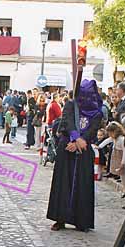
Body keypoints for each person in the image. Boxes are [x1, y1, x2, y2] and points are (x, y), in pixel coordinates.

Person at [47, 79, 103, 232]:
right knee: (63, 184)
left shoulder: (97, 111)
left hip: (84, 149)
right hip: (67, 147)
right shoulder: (71, 105)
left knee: (82, 185)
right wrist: (75, 138)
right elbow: (66, 121)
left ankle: (81, 219)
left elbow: (93, 128)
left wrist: (82, 140)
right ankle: (60, 218)